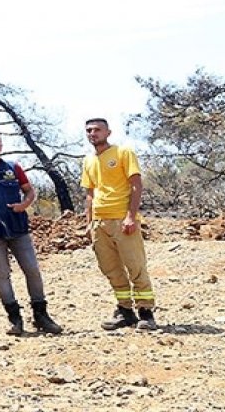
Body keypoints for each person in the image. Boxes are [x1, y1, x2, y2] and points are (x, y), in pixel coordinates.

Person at [0, 132, 63, 335]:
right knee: (2, 275)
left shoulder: (13, 167)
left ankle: (41, 315)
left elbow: (29, 190)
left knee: (32, 269)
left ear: (1, 146)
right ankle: (14, 319)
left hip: (17, 226)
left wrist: (23, 205)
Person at [82, 118, 157, 331]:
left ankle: (146, 312)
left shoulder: (123, 153)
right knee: (111, 269)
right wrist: (89, 223)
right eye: (89, 130)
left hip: (122, 219)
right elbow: (90, 194)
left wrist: (131, 216)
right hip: (99, 222)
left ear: (108, 132)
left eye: (97, 130)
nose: (92, 134)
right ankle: (125, 311)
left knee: (135, 266)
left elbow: (136, 185)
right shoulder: (88, 160)